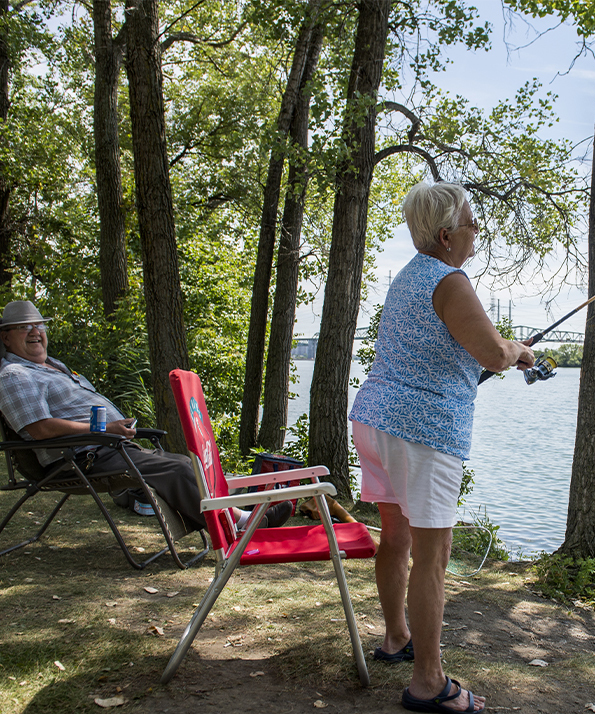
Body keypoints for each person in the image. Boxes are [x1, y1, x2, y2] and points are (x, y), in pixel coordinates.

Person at [349, 182, 534, 713]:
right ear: (448, 233)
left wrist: (503, 351)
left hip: (377, 419)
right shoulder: (450, 280)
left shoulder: (409, 276)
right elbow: (492, 353)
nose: (478, 233)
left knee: (396, 537)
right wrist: (517, 350)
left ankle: (395, 639)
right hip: (421, 432)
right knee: (433, 556)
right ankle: (428, 682)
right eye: (473, 223)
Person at [0, 300, 292, 532]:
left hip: (107, 446)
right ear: (6, 338)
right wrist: (102, 429)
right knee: (178, 471)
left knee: (183, 463)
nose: (35, 331)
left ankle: (240, 519)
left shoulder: (55, 366)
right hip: (78, 458)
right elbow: (39, 429)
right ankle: (239, 525)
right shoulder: (15, 375)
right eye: (23, 326)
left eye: (38, 324)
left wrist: (114, 431)